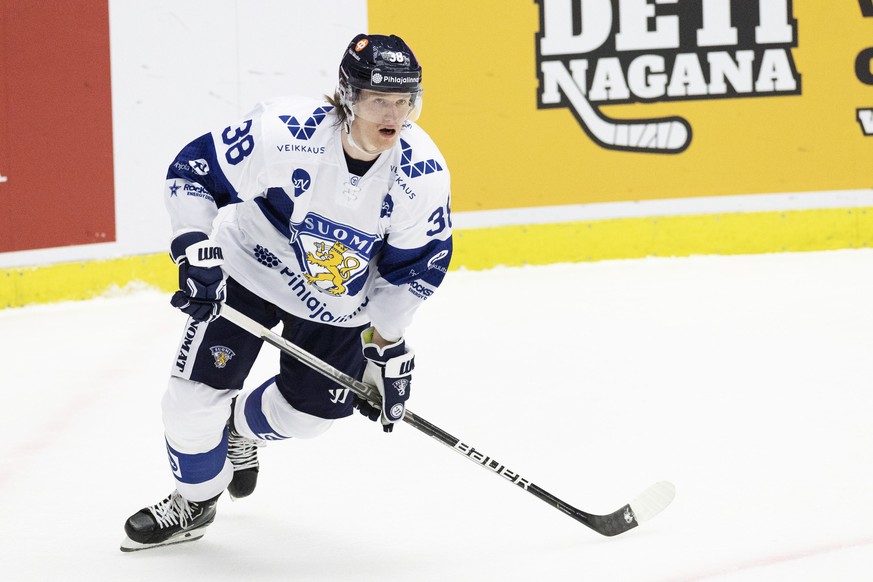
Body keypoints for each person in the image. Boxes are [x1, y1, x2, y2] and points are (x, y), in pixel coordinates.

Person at [120, 33, 452, 552]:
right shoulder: (283, 130)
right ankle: (195, 501)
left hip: (339, 300)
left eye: (403, 99)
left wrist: (385, 345)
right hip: (251, 267)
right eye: (377, 99)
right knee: (189, 407)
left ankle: (241, 431)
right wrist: (194, 248)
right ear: (347, 96)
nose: (392, 113)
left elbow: (414, 270)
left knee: (309, 419)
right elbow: (193, 174)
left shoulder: (422, 175)